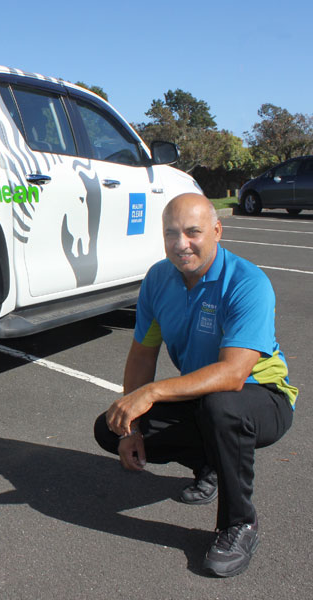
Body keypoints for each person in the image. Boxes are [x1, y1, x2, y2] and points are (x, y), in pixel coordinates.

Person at [94, 193, 297, 577]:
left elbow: (233, 374)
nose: (180, 243)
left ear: (217, 230)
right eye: (171, 233)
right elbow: (142, 354)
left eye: (192, 232)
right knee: (111, 426)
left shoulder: (247, 283)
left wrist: (151, 393)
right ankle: (210, 464)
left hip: (262, 397)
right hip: (202, 395)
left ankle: (240, 523)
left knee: (220, 408)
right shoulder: (158, 278)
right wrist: (132, 425)